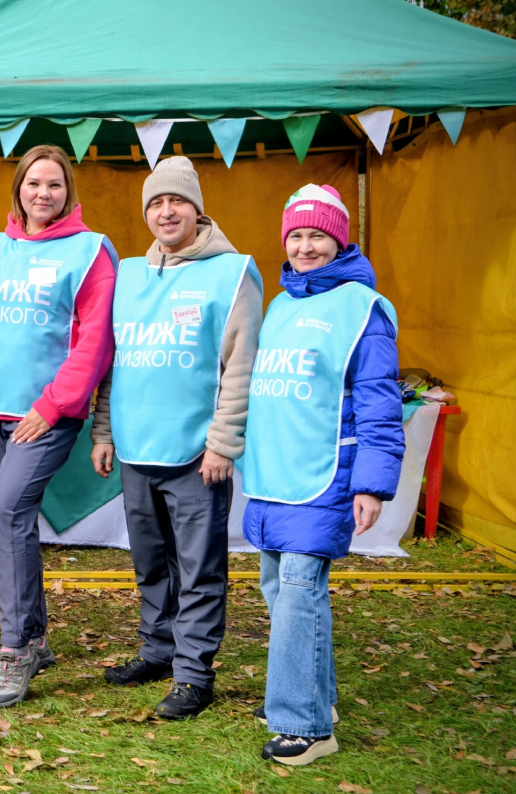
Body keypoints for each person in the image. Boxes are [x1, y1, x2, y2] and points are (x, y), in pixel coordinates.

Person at [90, 156, 263, 719]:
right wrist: (105, 430)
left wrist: (223, 442)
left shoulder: (234, 272)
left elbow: (241, 366)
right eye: (156, 203)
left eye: (177, 201)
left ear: (196, 208)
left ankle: (194, 674)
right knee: (151, 564)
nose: (166, 212)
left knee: (199, 567)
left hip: (196, 454)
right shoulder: (132, 276)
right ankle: (158, 650)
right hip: (138, 448)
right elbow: (115, 361)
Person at [241, 184, 404, 765]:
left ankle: (305, 726)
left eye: (318, 236)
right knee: (276, 586)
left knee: (299, 592)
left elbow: (380, 402)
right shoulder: (281, 305)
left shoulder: (364, 307)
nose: (305, 246)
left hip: (324, 471)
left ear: (339, 241)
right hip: (274, 473)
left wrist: (370, 483)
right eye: (296, 235)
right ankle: (315, 696)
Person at [0, 144, 117, 708]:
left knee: (7, 511)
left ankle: (17, 646)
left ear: (68, 191)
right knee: (12, 523)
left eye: (54, 184)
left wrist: (52, 407)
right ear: (19, 189)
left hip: (45, 416)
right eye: (34, 183)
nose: (43, 194)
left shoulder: (90, 251)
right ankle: (35, 635)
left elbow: (95, 342)